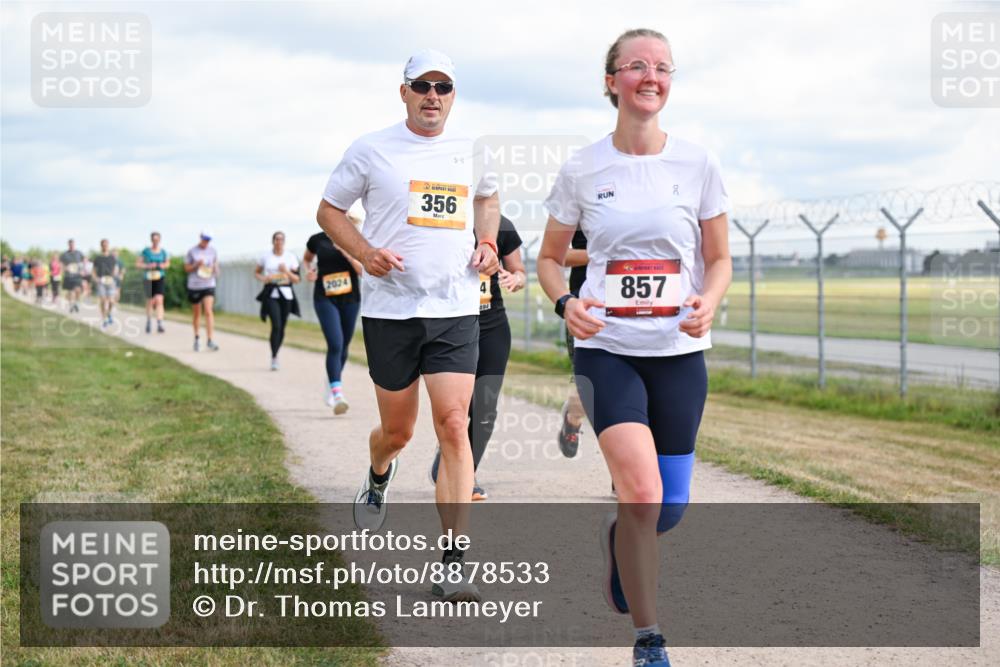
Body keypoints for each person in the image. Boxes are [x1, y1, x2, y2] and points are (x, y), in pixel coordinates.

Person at [536, 29, 731, 667]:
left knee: (666, 509)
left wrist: (710, 300)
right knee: (642, 492)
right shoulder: (583, 168)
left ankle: (620, 539)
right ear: (611, 80)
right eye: (637, 66)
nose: (652, 77)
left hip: (678, 353)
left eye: (663, 68)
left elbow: (719, 258)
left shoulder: (698, 164)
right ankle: (649, 640)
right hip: (607, 350)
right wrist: (565, 303)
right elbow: (548, 258)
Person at [317, 49, 500, 602]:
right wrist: (364, 252)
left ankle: (453, 562)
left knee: (454, 424)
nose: (432, 96)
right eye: (422, 86)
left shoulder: (472, 151)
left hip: (455, 309)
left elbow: (488, 198)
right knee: (398, 432)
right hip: (391, 312)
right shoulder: (372, 149)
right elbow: (329, 211)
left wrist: (488, 241)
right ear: (404, 92)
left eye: (443, 87)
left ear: (453, 95)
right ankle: (379, 472)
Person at [429, 215, 525, 500]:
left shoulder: (500, 225)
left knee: (485, 409)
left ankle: (465, 476)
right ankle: (452, 446)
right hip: (450, 325)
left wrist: (515, 278)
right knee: (458, 409)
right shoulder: (442, 217)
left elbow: (519, 270)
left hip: (491, 325)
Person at [304, 217, 363, 414]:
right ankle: (338, 394)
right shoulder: (317, 240)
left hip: (350, 298)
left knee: (344, 346)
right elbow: (307, 259)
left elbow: (362, 271)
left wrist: (346, 252)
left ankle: (332, 382)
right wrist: (309, 271)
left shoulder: (355, 239)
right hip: (324, 297)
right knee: (335, 344)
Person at [558, 230, 589, 458]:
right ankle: (573, 419)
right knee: (588, 387)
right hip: (586, 309)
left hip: (640, 309)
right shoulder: (580, 210)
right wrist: (603, 255)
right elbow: (559, 255)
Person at [254, 231, 300, 369]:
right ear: (273, 241)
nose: (279, 242)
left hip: (286, 294)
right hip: (271, 293)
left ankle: (276, 352)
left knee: (282, 326)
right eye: (276, 239)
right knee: (276, 325)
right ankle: (274, 357)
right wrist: (264, 278)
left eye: (281, 239)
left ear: (284, 242)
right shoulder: (265, 257)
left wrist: (286, 271)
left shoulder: (290, 257)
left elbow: (297, 279)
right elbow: (256, 272)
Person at [184, 231, 220, 352]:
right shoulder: (192, 251)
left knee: (209, 311)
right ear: (200, 238)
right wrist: (196, 265)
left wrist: (215, 269)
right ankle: (197, 338)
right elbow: (186, 268)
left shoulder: (213, 251)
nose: (206, 242)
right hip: (195, 285)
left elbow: (217, 269)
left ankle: (210, 340)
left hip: (209, 284)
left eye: (208, 240)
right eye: (204, 239)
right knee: (197, 313)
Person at [137, 232, 169, 333]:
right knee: (150, 301)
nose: (155, 241)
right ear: (151, 240)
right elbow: (138, 264)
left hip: (159, 277)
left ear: (159, 240)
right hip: (148, 278)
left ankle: (159, 323)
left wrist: (161, 265)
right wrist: (148, 266)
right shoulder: (146, 251)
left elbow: (167, 264)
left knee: (159, 300)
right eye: (154, 239)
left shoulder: (163, 252)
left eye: (157, 239)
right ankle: (149, 321)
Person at [92, 239, 119, 326]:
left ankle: (109, 313)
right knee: (103, 300)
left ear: (108, 246)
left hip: (110, 281)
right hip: (101, 281)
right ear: (101, 246)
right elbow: (93, 270)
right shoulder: (98, 258)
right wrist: (95, 278)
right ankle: (104, 319)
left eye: (106, 245)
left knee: (111, 301)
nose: (105, 246)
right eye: (103, 245)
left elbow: (115, 268)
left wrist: (114, 275)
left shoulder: (112, 258)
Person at [60, 240, 85, 313]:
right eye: (70, 245)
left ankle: (76, 303)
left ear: (74, 245)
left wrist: (82, 270)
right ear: (68, 245)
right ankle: (71, 305)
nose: (71, 246)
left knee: (78, 290)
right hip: (69, 275)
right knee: (70, 291)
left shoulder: (79, 253)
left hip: (77, 275)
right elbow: (61, 264)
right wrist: (65, 268)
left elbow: (84, 261)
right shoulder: (65, 254)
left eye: (73, 245)